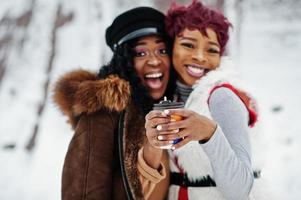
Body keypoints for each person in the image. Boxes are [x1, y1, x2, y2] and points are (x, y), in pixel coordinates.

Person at [53, 7, 176, 200]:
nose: (154, 60)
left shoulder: (168, 110)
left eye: (162, 50)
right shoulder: (103, 114)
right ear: (124, 60)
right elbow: (83, 192)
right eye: (141, 53)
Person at [141, 0, 259, 199]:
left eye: (211, 50)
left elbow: (240, 190)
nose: (200, 56)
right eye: (188, 45)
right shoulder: (170, 98)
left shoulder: (222, 97)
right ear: (171, 47)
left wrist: (209, 133)